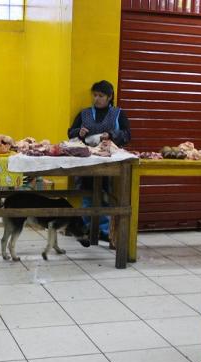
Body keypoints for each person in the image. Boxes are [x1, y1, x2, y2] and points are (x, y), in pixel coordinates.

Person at [67, 80, 131, 241]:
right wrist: (79, 133)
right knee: (87, 193)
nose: (97, 99)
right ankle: (87, 227)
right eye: (94, 95)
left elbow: (127, 135)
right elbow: (70, 134)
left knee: (106, 194)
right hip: (87, 161)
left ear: (109, 97)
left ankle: (104, 230)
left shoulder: (118, 114)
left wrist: (111, 135)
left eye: (101, 96)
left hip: (109, 162)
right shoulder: (84, 113)